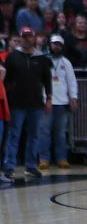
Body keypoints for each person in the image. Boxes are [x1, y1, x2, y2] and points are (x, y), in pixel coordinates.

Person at [3, 26, 52, 180]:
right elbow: (6, 80)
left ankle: (31, 166)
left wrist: (49, 98)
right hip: (17, 103)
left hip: (36, 103)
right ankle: (10, 166)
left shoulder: (42, 58)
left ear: (34, 37)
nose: (27, 39)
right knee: (14, 135)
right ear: (21, 37)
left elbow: (47, 80)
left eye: (29, 36)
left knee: (34, 136)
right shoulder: (13, 56)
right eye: (24, 36)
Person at [37, 34, 77, 170]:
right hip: (46, 101)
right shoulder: (42, 60)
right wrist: (42, 98)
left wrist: (74, 97)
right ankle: (44, 159)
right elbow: (39, 81)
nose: (56, 46)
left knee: (60, 133)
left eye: (59, 44)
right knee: (44, 132)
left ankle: (62, 159)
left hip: (62, 102)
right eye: (54, 44)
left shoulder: (66, 62)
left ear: (62, 46)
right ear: (50, 44)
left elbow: (72, 81)